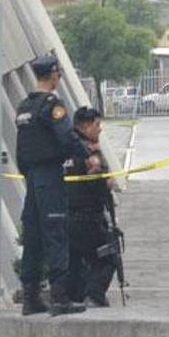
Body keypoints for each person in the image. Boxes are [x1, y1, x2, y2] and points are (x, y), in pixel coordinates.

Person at [15, 53, 101, 316]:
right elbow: (66, 137)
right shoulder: (52, 105)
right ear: (52, 74)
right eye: (59, 72)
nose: (60, 76)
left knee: (33, 237)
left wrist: (28, 173)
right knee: (56, 234)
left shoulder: (24, 107)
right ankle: (60, 297)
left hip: (31, 177)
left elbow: (21, 149)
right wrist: (89, 157)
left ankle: (31, 298)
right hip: (50, 175)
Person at [65, 106, 117, 307]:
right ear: (84, 127)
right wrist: (107, 180)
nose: (100, 129)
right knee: (107, 257)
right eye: (96, 125)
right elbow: (100, 185)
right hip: (89, 218)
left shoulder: (64, 148)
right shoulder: (89, 153)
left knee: (74, 262)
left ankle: (74, 297)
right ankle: (93, 297)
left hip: (67, 217)